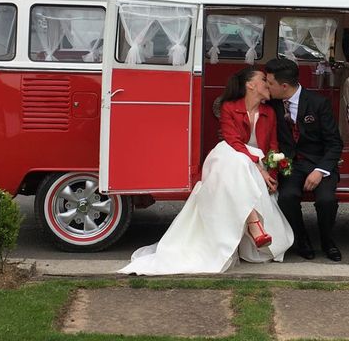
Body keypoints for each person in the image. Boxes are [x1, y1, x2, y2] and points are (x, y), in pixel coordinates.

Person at [119, 67, 294, 275]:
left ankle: (252, 221)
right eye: (263, 79)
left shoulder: (269, 112)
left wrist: (270, 174)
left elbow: (272, 147)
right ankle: (254, 222)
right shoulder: (229, 107)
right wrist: (257, 166)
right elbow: (233, 141)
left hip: (248, 165)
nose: (268, 83)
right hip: (226, 157)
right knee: (235, 160)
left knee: (240, 165)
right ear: (250, 85)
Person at [265, 58, 344, 262]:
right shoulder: (271, 103)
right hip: (290, 164)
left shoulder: (318, 103)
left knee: (327, 200)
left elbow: (335, 143)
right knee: (287, 197)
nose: (267, 86)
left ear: (284, 86)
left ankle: (327, 240)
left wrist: (320, 171)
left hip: (319, 163)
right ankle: (302, 240)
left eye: (270, 82)